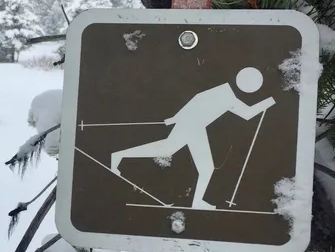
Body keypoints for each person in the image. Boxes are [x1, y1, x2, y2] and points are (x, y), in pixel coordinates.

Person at [110, 67, 275, 210]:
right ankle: (119, 156)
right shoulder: (226, 95)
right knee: (187, 159)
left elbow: (197, 99)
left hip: (193, 125)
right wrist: (269, 101)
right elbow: (246, 114)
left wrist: (176, 118)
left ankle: (119, 156)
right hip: (193, 126)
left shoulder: (224, 91)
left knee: (171, 152)